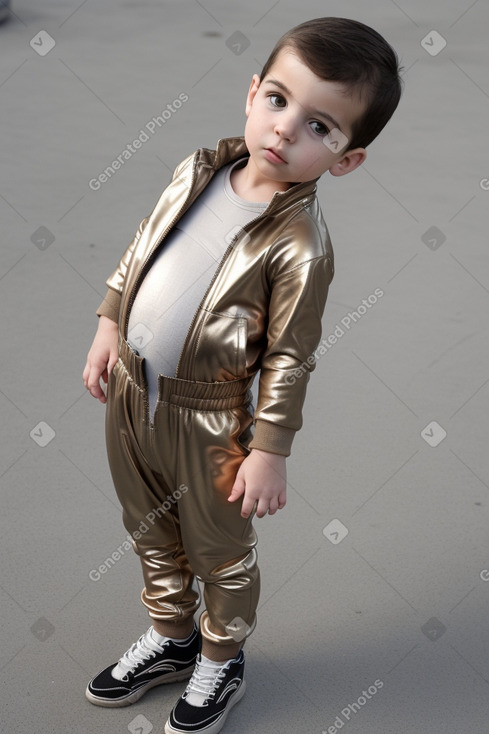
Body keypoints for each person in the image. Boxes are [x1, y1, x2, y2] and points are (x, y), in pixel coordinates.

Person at [82, 16, 403, 734]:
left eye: (321, 126)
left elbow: (290, 354)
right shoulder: (196, 169)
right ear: (253, 91)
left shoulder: (300, 245)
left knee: (218, 548)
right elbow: (143, 248)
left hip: (209, 417)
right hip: (132, 397)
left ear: (346, 159)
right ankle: (171, 638)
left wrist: (268, 448)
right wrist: (109, 321)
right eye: (279, 101)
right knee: (148, 527)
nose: (286, 130)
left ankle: (221, 657)